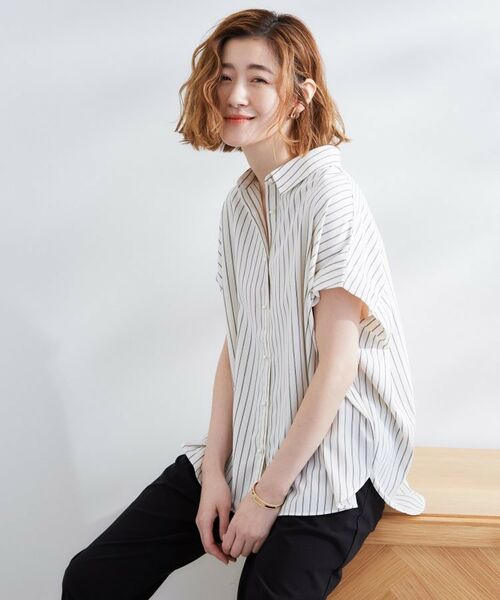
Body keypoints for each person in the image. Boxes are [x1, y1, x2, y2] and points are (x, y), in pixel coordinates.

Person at [61, 8, 425, 599]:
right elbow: (240, 344)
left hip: (334, 463)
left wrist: (265, 496)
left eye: (259, 78)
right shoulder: (238, 206)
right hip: (251, 444)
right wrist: (214, 473)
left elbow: (338, 366)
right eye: (226, 76)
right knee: (93, 578)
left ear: (300, 96)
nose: (236, 94)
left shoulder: (332, 198)